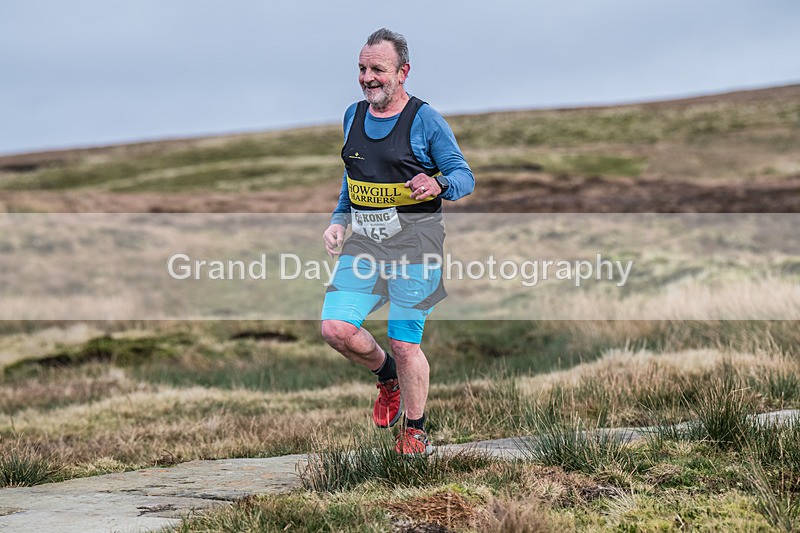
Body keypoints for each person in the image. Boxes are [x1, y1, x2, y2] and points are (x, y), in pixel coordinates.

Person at [320, 28, 474, 455]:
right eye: (362, 68)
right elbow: (352, 182)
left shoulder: (426, 120)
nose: (368, 78)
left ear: (403, 72)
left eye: (378, 69)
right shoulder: (352, 116)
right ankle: (386, 378)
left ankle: (415, 430)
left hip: (416, 247)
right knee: (336, 329)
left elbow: (465, 176)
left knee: (405, 343)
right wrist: (339, 221)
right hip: (365, 245)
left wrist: (439, 183)